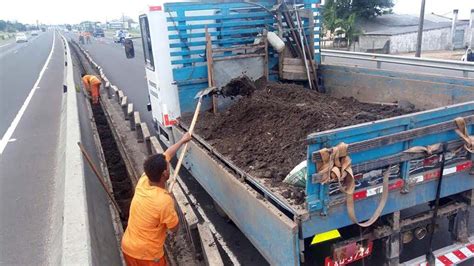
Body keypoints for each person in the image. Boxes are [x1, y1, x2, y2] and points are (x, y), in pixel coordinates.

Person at [121, 133, 192, 266]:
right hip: (148, 256)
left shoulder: (144, 179)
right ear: (165, 173)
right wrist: (171, 205)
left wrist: (182, 141)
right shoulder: (163, 201)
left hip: (128, 247)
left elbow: (167, 154)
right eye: (167, 166)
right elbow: (174, 228)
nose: (168, 164)